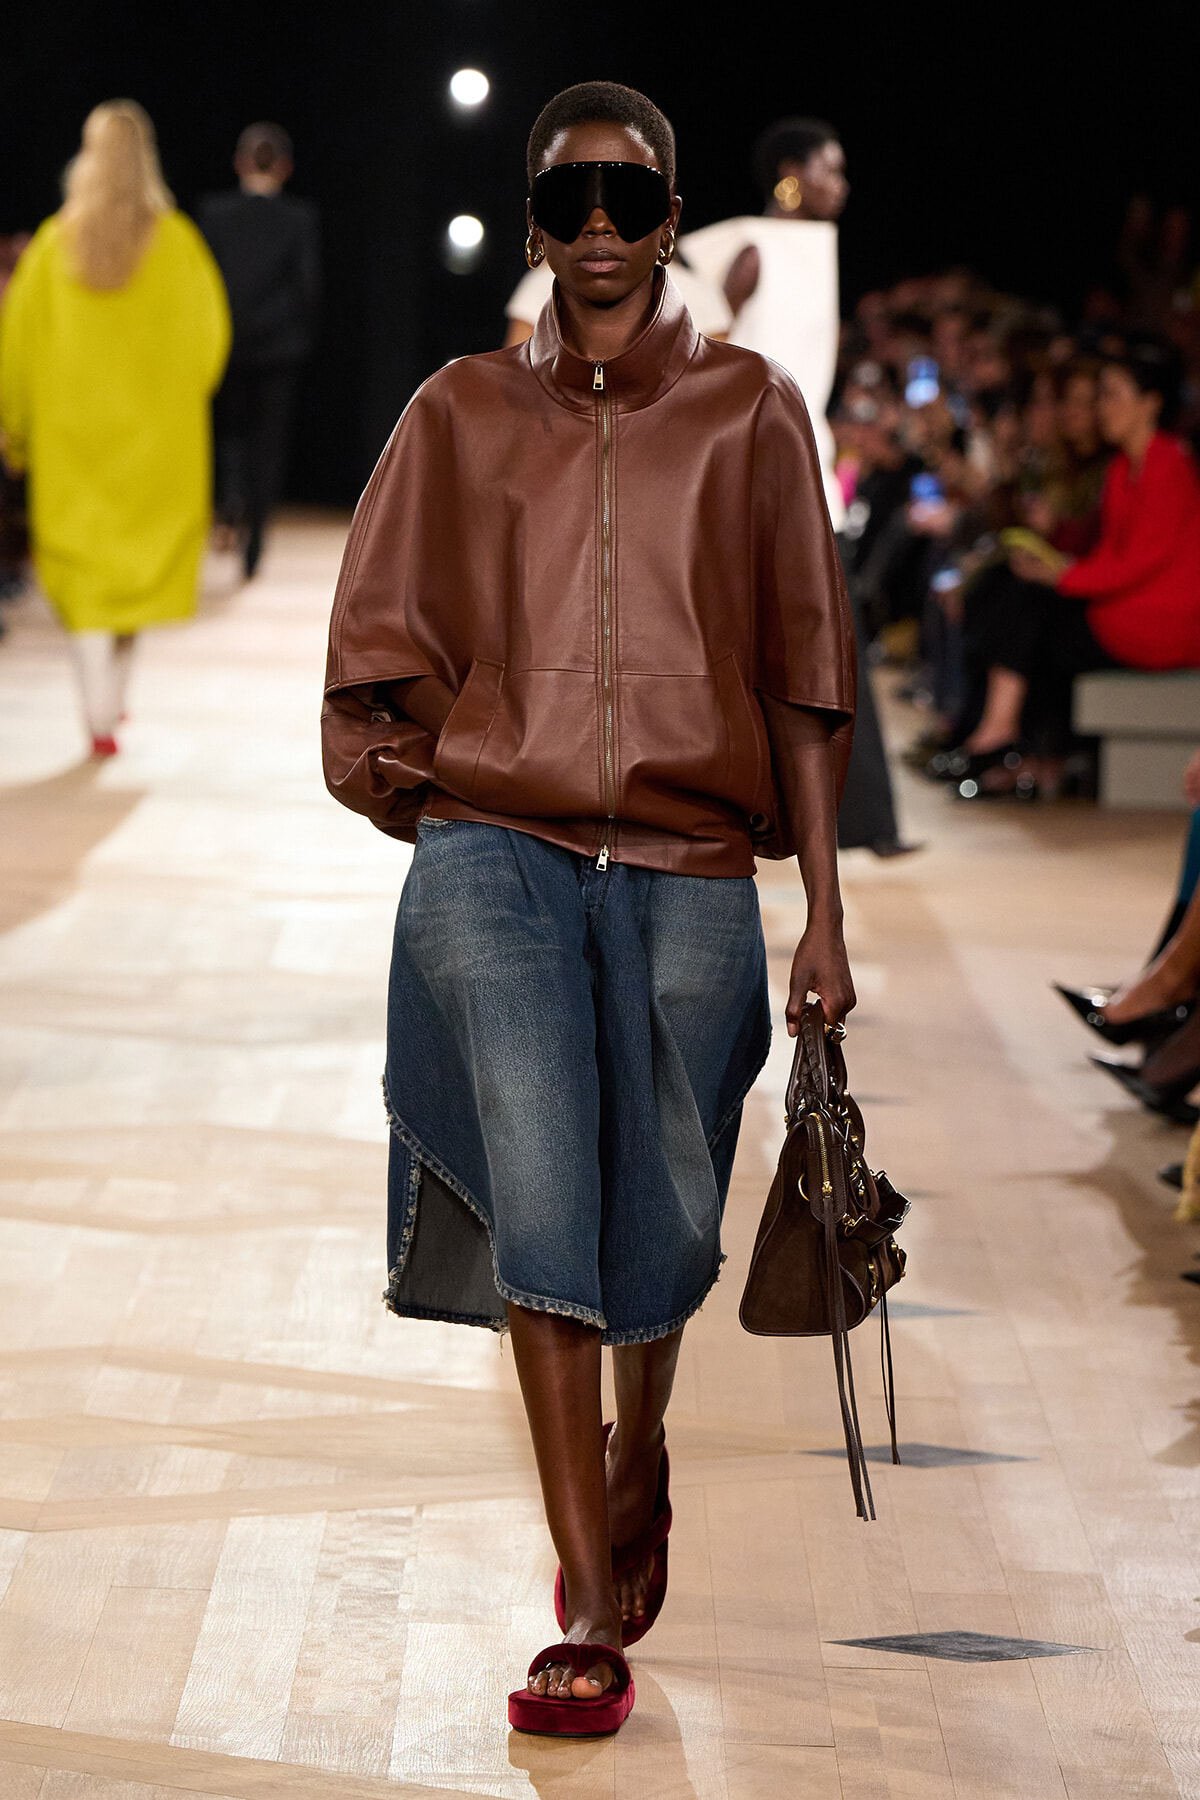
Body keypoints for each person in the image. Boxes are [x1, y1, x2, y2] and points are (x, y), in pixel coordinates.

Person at [322, 80, 855, 1735]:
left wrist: (826, 915)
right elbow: (371, 648)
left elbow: (804, 677)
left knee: (666, 1218)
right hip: (501, 847)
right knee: (552, 1193)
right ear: (537, 222)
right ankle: (585, 1609)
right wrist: (454, 794)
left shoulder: (755, 413)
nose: (604, 230)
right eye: (572, 203)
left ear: (675, 213)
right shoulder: (461, 411)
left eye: (632, 197)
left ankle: (639, 1454)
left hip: (697, 857)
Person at [684, 117, 912, 856]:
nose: (840, 185)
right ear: (790, 171)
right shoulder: (753, 249)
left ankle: (861, 819)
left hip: (803, 464)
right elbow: (701, 344)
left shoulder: (805, 255)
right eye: (829, 169)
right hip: (756, 470)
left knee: (825, 638)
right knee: (780, 640)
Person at [0, 101, 229, 756]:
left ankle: (97, 712)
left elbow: (14, 351)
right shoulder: (177, 241)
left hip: (71, 441)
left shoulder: (50, 246)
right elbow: (211, 340)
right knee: (135, 575)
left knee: (86, 579)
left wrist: (16, 430)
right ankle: (115, 701)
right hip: (156, 443)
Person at [959, 340, 1200, 776]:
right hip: (1134, 608)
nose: (1102, 408)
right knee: (1023, 603)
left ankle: (1009, 741)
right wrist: (1058, 572)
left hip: (1166, 621)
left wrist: (1062, 576)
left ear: (1150, 403)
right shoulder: (1124, 467)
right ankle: (1010, 742)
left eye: (1112, 395)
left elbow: (1139, 560)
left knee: (1034, 614)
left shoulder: (1168, 464)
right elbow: (1115, 554)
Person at [198, 124, 320, 580]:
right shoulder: (298, 218)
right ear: (285, 168)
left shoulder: (214, 214)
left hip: (225, 345)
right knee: (267, 444)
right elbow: (308, 287)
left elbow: (202, 285)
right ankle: (255, 542)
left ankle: (230, 500)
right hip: (278, 350)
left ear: (240, 163)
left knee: (229, 432)